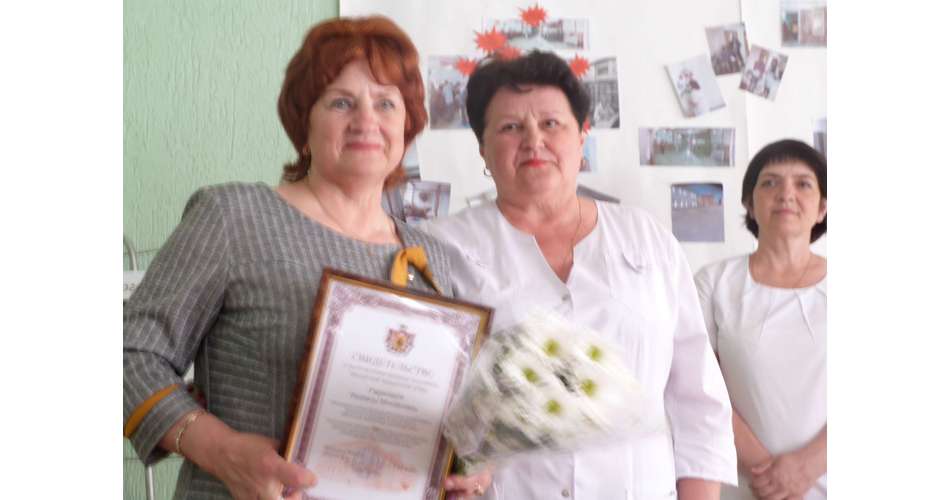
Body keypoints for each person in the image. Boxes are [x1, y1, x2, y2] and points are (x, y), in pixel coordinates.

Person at [123, 16, 489, 500]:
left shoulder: (434, 260)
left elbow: (450, 418)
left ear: (408, 124)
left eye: (385, 103)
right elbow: (130, 356)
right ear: (304, 122)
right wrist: (222, 451)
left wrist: (465, 473)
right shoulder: (235, 217)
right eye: (341, 102)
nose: (366, 120)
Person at [423, 50, 737, 500]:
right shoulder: (441, 248)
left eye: (551, 123)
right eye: (510, 127)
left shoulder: (645, 237)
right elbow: (423, 397)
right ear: (483, 149)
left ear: (582, 137)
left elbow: (698, 399)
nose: (533, 140)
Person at [694, 139, 828, 500]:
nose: (786, 193)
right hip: (746, 483)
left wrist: (808, 467)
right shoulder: (714, 283)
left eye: (803, 184)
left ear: (822, 208)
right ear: (750, 206)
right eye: (770, 182)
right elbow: (699, 386)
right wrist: (769, 476)